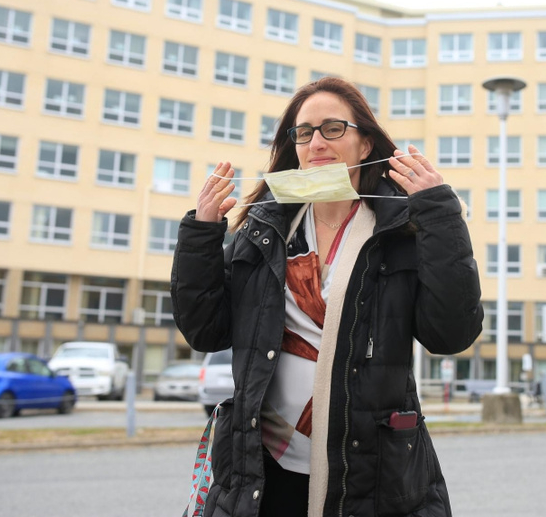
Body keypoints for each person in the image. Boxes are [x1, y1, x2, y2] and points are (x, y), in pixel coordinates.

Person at [171, 77, 484, 517]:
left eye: (333, 128)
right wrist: (202, 234)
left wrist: (440, 213)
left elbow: (450, 334)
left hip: (370, 474)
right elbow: (206, 330)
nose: (316, 141)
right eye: (304, 132)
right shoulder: (265, 229)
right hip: (262, 472)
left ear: (364, 144)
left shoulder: (399, 233)